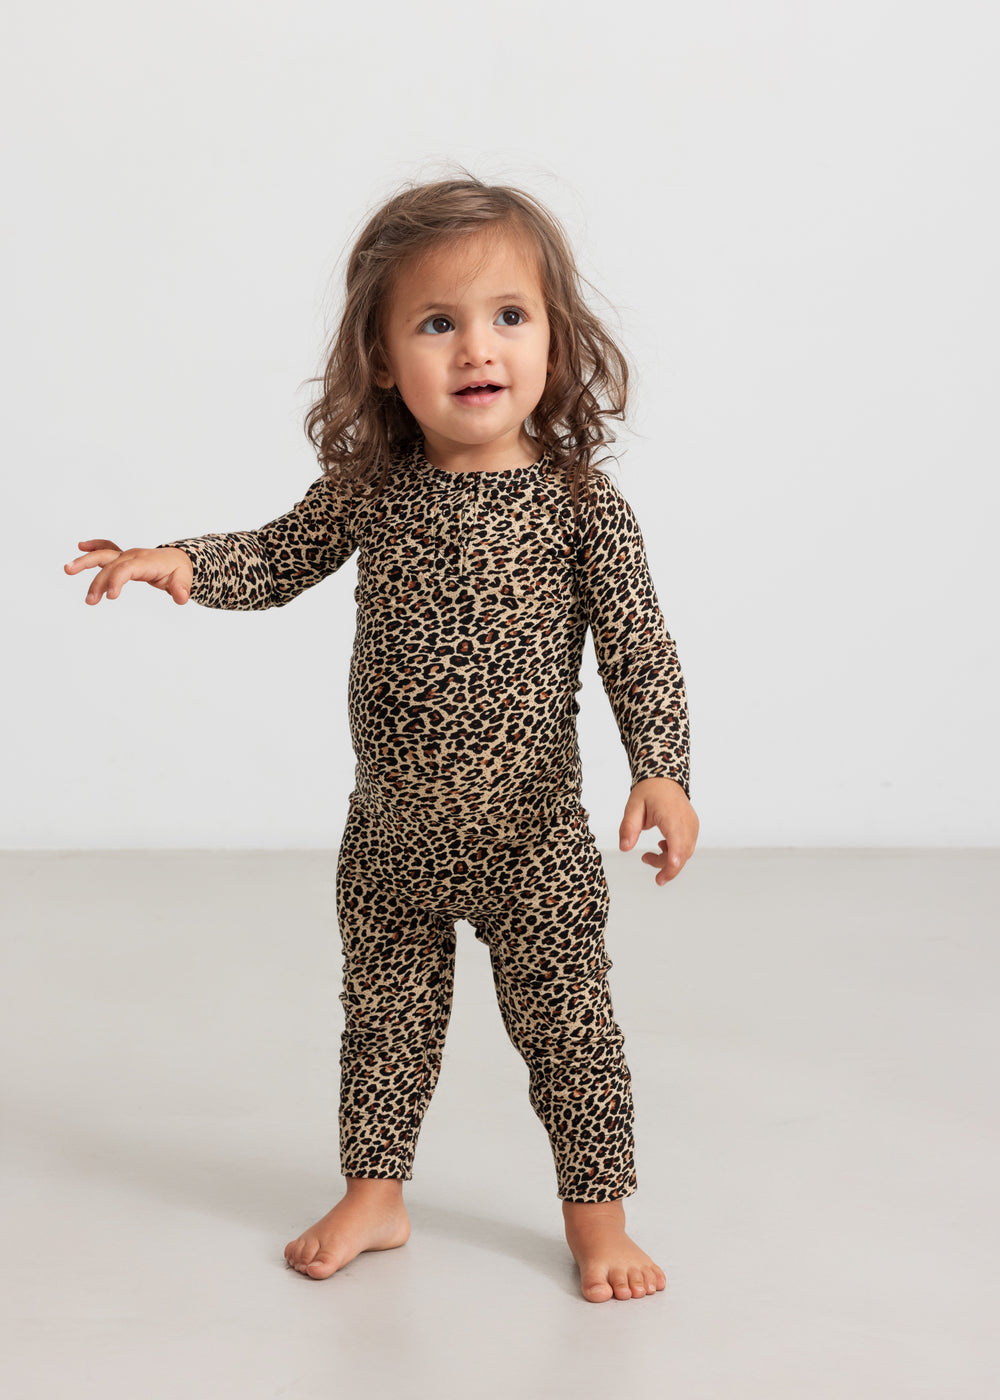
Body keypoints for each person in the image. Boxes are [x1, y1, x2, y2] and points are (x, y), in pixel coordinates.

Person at [64, 176, 699, 1304]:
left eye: (510, 315)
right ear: (382, 359)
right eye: (437, 322)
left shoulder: (580, 507)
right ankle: (376, 1191)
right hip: (390, 838)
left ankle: (596, 1218)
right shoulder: (373, 490)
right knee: (383, 1021)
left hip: (532, 842)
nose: (477, 347)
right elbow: (275, 556)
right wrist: (181, 561)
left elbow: (639, 648)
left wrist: (662, 770)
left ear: (556, 340)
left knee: (571, 1031)